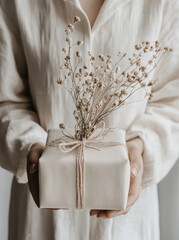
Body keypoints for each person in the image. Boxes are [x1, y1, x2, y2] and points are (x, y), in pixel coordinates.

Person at [0, 0, 178, 239]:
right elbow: (6, 100)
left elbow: (172, 100)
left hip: (129, 225)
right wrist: (30, 146)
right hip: (40, 220)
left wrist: (140, 149)